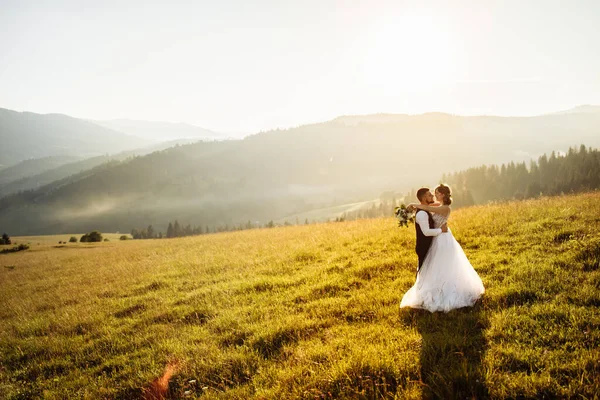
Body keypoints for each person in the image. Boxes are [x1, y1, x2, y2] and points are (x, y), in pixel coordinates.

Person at [400, 184, 484, 312]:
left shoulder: (445, 208)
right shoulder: (437, 206)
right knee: (437, 266)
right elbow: (427, 207)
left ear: (443, 195)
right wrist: (414, 206)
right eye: (433, 193)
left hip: (443, 238)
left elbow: (425, 207)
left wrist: (413, 204)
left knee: (443, 265)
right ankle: (437, 288)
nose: (435, 195)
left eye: (437, 193)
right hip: (438, 237)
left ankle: (446, 290)